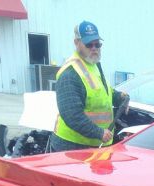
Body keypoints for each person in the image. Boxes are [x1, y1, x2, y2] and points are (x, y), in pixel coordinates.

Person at [50, 21, 127, 152]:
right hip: (72, 148)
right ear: (77, 43)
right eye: (89, 44)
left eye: (97, 44)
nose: (94, 48)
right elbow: (72, 115)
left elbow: (102, 92)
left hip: (97, 145)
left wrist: (119, 97)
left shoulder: (94, 65)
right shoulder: (70, 73)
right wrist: (98, 133)